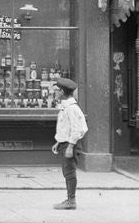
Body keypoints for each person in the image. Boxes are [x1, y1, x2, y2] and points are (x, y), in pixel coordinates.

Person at [50, 76, 88, 210]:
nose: (54, 92)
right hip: (65, 143)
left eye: (56, 90)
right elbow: (66, 128)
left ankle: (71, 201)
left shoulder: (72, 108)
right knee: (67, 171)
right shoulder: (65, 106)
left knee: (69, 171)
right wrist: (58, 142)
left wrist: (70, 146)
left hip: (71, 145)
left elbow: (80, 129)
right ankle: (69, 199)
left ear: (62, 91)